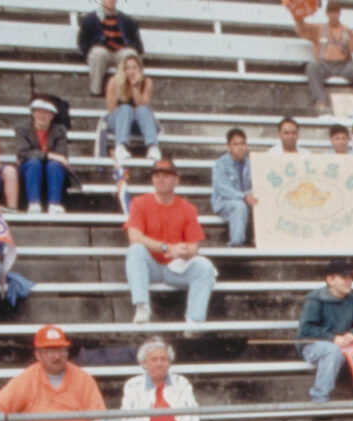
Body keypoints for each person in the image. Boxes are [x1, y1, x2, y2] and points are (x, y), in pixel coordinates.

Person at [124, 159, 217, 325]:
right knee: (135, 250)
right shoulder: (139, 203)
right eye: (157, 176)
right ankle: (142, 307)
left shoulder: (187, 208)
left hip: (175, 268)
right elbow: (134, 237)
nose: (160, 180)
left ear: (176, 180)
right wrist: (167, 248)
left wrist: (183, 251)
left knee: (205, 266)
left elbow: (194, 247)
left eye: (166, 176)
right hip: (149, 266)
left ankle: (194, 320)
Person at [296, 258, 353, 402]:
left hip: (343, 345)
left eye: (351, 277)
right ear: (330, 279)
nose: (349, 281)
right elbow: (306, 329)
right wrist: (332, 338)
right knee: (332, 351)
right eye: (344, 277)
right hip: (313, 344)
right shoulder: (315, 300)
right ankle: (319, 399)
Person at [306, 1, 353, 112]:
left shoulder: (346, 30)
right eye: (331, 12)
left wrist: (352, 33)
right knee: (312, 67)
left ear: (339, 13)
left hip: (343, 65)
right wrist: (298, 19)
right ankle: (319, 100)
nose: (333, 15)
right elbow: (301, 30)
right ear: (326, 13)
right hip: (325, 64)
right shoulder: (319, 28)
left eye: (336, 12)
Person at [16, 97, 71, 216]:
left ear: (52, 115)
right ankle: (34, 203)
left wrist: (51, 158)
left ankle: (54, 204)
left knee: (55, 165)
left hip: (51, 168)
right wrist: (48, 155)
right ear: (33, 113)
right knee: (34, 162)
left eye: (46, 112)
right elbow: (23, 152)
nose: (42, 115)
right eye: (38, 111)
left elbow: (62, 154)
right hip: (29, 166)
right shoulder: (23, 129)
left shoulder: (59, 130)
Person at [77, 0, 143, 98]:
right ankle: (96, 91)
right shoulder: (90, 20)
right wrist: (91, 48)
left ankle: (130, 92)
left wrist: (131, 47)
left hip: (120, 51)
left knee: (130, 55)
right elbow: (83, 42)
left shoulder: (127, 21)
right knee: (98, 53)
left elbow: (137, 44)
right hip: (102, 51)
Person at [105, 52, 160, 164]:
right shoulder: (114, 82)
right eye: (128, 68)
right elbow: (112, 109)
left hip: (138, 122)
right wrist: (130, 112)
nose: (131, 71)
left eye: (135, 67)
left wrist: (135, 87)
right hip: (118, 121)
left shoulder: (147, 82)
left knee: (143, 110)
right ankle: (120, 146)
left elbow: (143, 105)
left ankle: (152, 147)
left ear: (140, 69)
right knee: (126, 108)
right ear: (123, 70)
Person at [210, 128, 256, 248]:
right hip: (225, 202)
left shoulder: (251, 163)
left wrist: (251, 195)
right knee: (239, 206)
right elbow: (222, 188)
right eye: (235, 144)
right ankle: (236, 243)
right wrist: (243, 197)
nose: (240, 147)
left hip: (246, 200)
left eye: (242, 143)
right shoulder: (221, 164)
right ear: (228, 146)